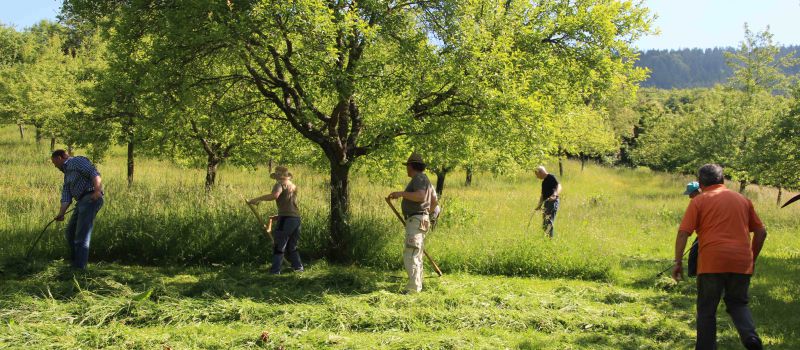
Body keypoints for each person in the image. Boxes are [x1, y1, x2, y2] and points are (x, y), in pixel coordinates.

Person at [672, 164, 767, 350]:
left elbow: (684, 233)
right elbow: (761, 232)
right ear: (723, 180)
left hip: (711, 262)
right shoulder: (743, 200)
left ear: (700, 183)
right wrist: (751, 259)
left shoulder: (699, 201)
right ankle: (751, 338)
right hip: (741, 262)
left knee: (707, 310)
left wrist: (678, 262)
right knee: (738, 303)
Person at [388, 153, 437, 293]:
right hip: (419, 220)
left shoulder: (419, 178)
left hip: (416, 220)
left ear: (411, 166)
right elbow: (434, 201)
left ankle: (413, 289)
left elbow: (421, 196)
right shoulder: (425, 180)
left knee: (411, 253)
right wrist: (426, 215)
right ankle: (417, 285)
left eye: (407, 166)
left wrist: (401, 194)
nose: (406, 169)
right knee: (416, 253)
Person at [51, 149, 104, 269]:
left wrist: (97, 190)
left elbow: (94, 173)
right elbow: (66, 196)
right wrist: (61, 213)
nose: (55, 166)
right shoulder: (67, 175)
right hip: (81, 201)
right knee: (70, 232)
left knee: (81, 235)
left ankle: (79, 268)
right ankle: (76, 262)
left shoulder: (76, 161)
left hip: (90, 197)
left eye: (55, 163)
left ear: (60, 158)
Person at [248, 166, 304, 274]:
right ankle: (299, 268)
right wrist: (278, 217)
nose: (276, 178)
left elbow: (274, 195)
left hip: (286, 219)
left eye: (277, 175)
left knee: (279, 245)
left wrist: (257, 199)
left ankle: (274, 272)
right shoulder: (293, 186)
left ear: (280, 176)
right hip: (296, 219)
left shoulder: (280, 184)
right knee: (292, 246)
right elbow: (290, 206)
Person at [534, 166, 561, 238]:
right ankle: (545, 238)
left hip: (552, 202)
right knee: (545, 222)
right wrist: (539, 205)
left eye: (537, 175)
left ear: (541, 172)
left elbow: (559, 186)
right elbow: (542, 195)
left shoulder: (551, 177)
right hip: (546, 203)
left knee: (548, 221)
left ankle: (549, 239)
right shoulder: (543, 182)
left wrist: (555, 195)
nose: (537, 177)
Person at [684, 181, 701, 277]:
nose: (689, 197)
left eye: (690, 194)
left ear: (697, 191)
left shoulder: (697, 202)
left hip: (707, 234)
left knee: (693, 255)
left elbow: (684, 232)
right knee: (694, 254)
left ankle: (693, 275)